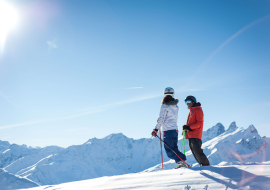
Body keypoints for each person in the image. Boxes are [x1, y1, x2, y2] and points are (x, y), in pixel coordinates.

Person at [151, 87, 187, 168]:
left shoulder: (164, 105)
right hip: (174, 130)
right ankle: (181, 163)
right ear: (172, 94)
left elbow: (162, 118)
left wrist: (156, 129)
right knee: (174, 149)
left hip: (167, 130)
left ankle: (182, 160)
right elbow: (168, 117)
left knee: (169, 151)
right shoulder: (176, 106)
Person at [182, 95, 210, 166]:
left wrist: (189, 128)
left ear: (193, 101)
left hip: (196, 135)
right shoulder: (191, 111)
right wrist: (185, 130)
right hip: (191, 135)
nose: (187, 103)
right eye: (186, 102)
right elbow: (189, 124)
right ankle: (202, 164)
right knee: (194, 152)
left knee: (197, 151)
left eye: (189, 101)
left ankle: (206, 165)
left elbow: (199, 123)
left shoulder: (198, 110)